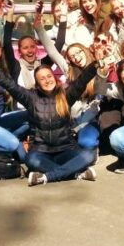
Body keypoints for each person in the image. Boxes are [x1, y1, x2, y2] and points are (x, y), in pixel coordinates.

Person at [0, 55, 99, 186]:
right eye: (42, 79)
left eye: (49, 76)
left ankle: (46, 177)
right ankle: (76, 173)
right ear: (37, 84)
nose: (47, 80)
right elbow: (11, 86)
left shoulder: (66, 96)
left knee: (89, 155)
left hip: (66, 148)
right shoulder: (31, 98)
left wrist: (97, 63)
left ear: (55, 78)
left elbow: (82, 80)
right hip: (41, 151)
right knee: (30, 160)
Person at [35, 11, 103, 152]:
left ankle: (94, 145)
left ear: (85, 51)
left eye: (78, 52)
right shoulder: (70, 71)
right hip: (74, 119)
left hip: (93, 118)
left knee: (86, 143)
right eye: (72, 56)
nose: (76, 57)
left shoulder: (99, 66)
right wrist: (39, 28)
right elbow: (53, 52)